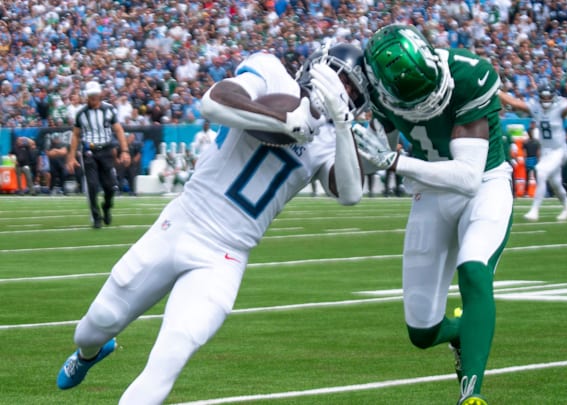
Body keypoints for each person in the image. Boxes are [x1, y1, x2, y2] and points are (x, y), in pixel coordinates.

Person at [55, 43, 369, 404]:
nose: (344, 92)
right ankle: (90, 353)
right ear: (318, 66)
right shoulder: (272, 73)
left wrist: (344, 128)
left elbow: (349, 194)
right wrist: (282, 120)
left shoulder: (331, 138)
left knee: (168, 360)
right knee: (94, 325)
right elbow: (214, 102)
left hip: (225, 257)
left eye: (353, 91)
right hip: (182, 222)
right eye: (343, 80)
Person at [354, 24, 513, 405]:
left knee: (474, 269)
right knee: (421, 332)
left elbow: (468, 177)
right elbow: (375, 160)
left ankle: (472, 393)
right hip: (430, 193)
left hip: (485, 181)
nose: (422, 103)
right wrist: (349, 134)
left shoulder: (468, 75)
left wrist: (396, 161)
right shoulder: (378, 90)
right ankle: (460, 332)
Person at [499, 84, 567, 221]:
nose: (546, 99)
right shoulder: (535, 107)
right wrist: (497, 91)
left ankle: (534, 210)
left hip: (559, 149)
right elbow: (514, 103)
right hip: (546, 151)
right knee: (555, 183)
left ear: (554, 97)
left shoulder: (560, 108)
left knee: (541, 172)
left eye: (548, 97)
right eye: (543, 97)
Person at [66, 81, 131, 228]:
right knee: (92, 185)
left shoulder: (108, 110)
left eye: (95, 94)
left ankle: (107, 207)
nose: (94, 97)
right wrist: (71, 157)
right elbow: (76, 135)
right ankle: (96, 217)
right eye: (91, 95)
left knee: (110, 187)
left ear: (100, 94)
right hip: (89, 152)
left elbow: (119, 130)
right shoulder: (81, 113)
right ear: (86, 96)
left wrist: (125, 150)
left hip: (106, 150)